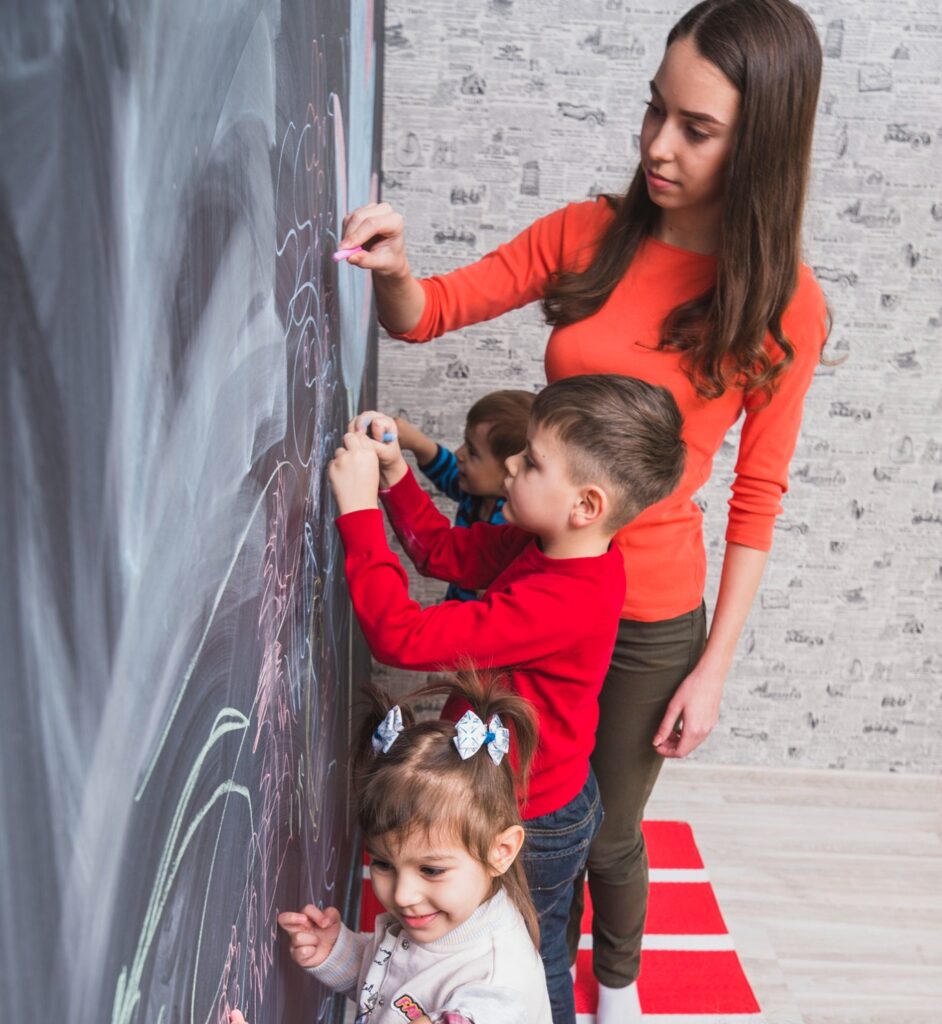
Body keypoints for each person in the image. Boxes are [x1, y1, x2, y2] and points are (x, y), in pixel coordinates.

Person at [335, 0, 829, 1019]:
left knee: (599, 830)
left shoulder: (784, 302)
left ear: (763, 144)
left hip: (650, 618)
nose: (656, 145)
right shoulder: (587, 233)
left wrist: (714, 665)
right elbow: (426, 314)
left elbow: (757, 497)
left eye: (696, 129)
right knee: (510, 817)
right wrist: (392, 271)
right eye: (656, 111)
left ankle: (613, 987)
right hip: (541, 572)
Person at [328, 374, 686, 1024]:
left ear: (585, 504)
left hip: (535, 816)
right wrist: (392, 479)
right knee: (529, 933)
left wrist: (356, 516)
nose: (513, 465)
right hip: (543, 792)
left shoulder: (565, 598)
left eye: (531, 461)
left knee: (533, 960)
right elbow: (438, 549)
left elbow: (399, 636)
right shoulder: (546, 545)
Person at [234, 672, 552, 1024]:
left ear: (502, 851)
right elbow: (395, 989)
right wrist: (341, 954)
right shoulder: (443, 920)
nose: (402, 894)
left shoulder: (492, 991)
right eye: (383, 863)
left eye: (431, 870)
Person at [395, 389, 534, 601]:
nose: (459, 454)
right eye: (464, 443)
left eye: (472, 452)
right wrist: (419, 445)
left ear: (509, 471)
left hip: (472, 623)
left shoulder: (513, 527)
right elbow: (446, 471)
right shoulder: (472, 490)